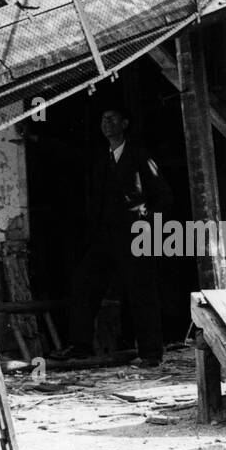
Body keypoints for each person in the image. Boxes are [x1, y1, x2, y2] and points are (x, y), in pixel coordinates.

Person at [55, 108, 172, 368]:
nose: (106, 123)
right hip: (107, 236)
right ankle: (80, 346)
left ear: (125, 123)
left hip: (136, 235)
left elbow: (163, 196)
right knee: (84, 282)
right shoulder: (102, 159)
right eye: (102, 118)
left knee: (141, 291)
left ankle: (151, 354)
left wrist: (147, 223)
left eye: (112, 118)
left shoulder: (139, 155)